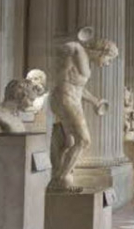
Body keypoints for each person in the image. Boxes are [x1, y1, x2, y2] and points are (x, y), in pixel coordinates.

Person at [49, 27, 118, 192]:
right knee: (84, 140)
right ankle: (60, 179)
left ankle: (61, 178)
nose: (108, 64)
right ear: (102, 52)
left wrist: (95, 101)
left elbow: (78, 88)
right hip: (65, 99)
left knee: (69, 142)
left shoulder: (85, 60)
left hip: (70, 98)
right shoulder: (79, 50)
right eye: (109, 59)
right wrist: (73, 41)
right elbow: (69, 47)